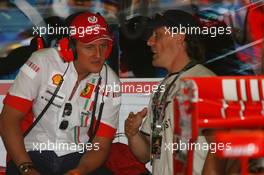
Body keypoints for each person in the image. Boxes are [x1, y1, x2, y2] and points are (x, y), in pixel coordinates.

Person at [0, 12, 121, 175]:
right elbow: (8, 119)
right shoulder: (42, 61)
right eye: (89, 47)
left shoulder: (111, 82)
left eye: (103, 46)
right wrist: (26, 168)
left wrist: (80, 171)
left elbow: (101, 143)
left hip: (78, 157)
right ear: (70, 47)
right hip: (32, 153)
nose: (98, 55)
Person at [125, 10, 216, 175]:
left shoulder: (205, 82)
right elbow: (146, 155)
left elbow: (221, 145)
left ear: (180, 37)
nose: (149, 42)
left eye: (157, 35)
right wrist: (133, 134)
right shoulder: (162, 88)